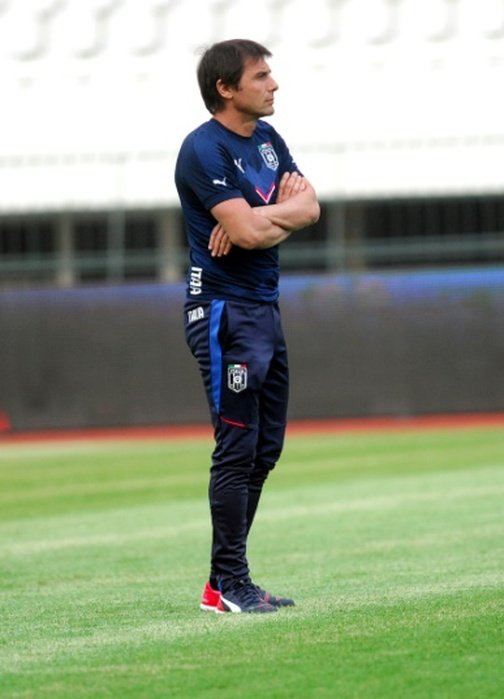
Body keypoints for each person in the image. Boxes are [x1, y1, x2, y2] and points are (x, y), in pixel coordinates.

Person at [175, 39, 320, 614]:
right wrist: (267, 221)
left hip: (264, 307)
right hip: (223, 311)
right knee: (237, 448)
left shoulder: (266, 140)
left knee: (266, 449)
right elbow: (273, 226)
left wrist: (254, 218)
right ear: (226, 89)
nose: (274, 84)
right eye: (261, 77)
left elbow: (311, 208)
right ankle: (227, 583)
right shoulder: (202, 149)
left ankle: (225, 580)